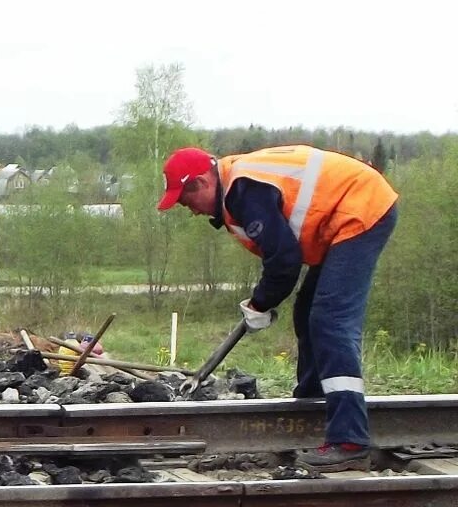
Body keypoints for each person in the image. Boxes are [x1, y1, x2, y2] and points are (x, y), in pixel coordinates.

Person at [157, 145, 398, 471]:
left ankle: (350, 441)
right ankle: (311, 406)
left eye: (187, 201)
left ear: (201, 182)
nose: (193, 211)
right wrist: (262, 302)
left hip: (361, 210)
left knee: (330, 321)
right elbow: (284, 256)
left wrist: (260, 303)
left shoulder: (244, 191)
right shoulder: (237, 184)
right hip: (343, 215)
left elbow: (284, 261)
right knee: (308, 313)